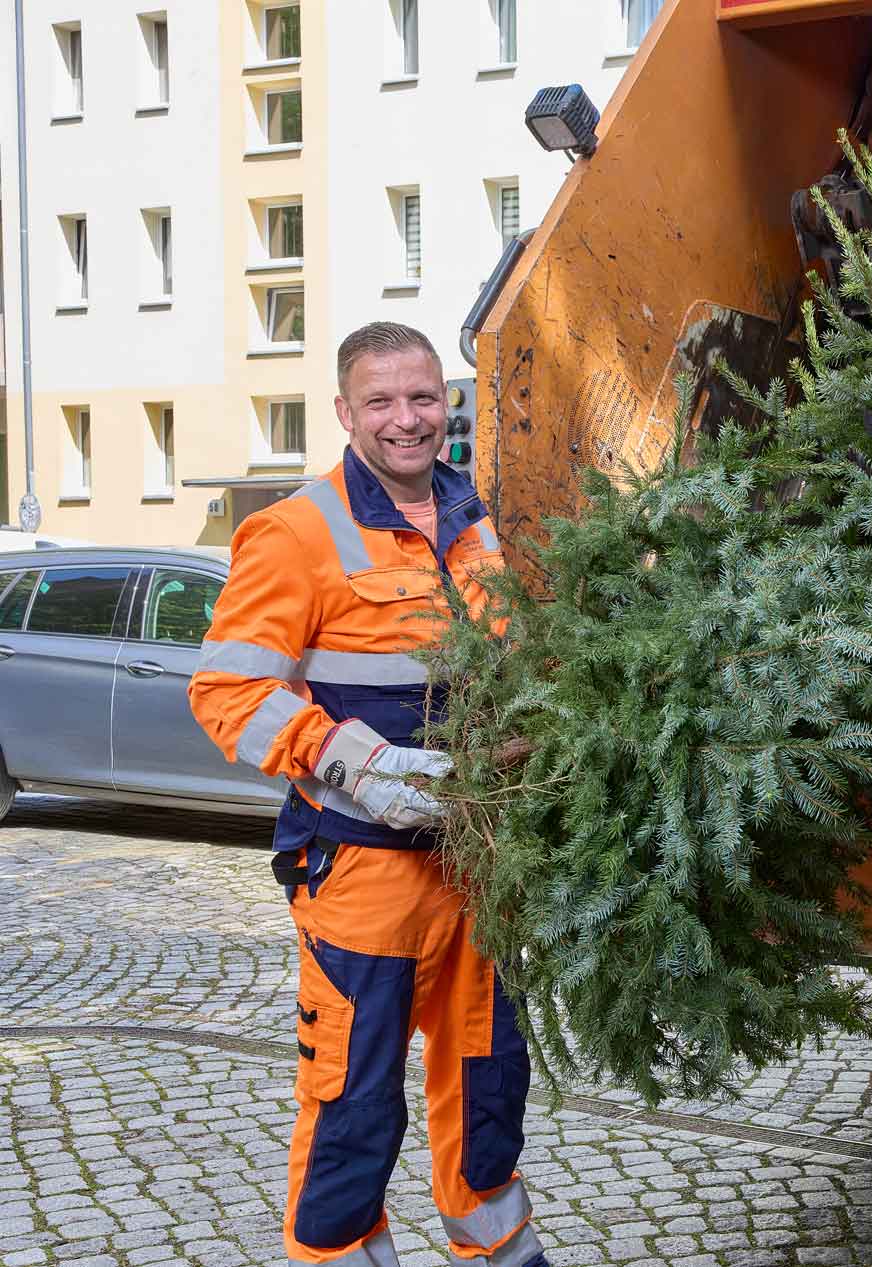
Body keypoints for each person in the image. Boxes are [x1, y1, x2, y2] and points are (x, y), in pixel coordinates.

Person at [189, 322, 547, 1267]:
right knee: (354, 1104)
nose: (406, 419)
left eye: (423, 398)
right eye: (381, 402)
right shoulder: (296, 532)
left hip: (478, 870)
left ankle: (502, 1252)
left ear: (447, 404)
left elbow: (500, 671)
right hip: (364, 878)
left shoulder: (472, 523)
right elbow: (227, 693)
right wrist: (363, 765)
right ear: (345, 413)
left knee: (488, 1089)